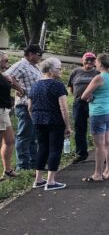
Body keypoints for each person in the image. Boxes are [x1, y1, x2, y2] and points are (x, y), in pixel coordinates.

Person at [27, 57, 71, 190]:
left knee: (43, 148)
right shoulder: (58, 85)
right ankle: (51, 182)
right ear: (51, 70)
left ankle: (38, 179)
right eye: (59, 68)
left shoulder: (35, 85)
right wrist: (68, 126)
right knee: (55, 149)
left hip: (38, 121)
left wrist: (35, 118)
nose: (60, 71)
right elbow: (63, 108)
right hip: (55, 121)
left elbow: (29, 107)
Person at [80, 53, 109, 182]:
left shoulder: (99, 77)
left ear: (100, 64)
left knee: (100, 145)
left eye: (96, 62)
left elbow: (84, 96)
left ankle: (97, 174)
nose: (94, 63)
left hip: (99, 112)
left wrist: (91, 97)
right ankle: (108, 171)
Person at [4, 44, 43, 171]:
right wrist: (20, 89)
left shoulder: (34, 66)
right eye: (39, 54)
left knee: (33, 136)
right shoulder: (22, 64)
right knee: (24, 135)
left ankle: (33, 163)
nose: (40, 57)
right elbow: (7, 76)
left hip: (35, 106)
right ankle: (22, 165)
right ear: (31, 54)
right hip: (25, 105)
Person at [66, 52, 99, 163]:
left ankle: (101, 153)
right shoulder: (76, 72)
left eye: (92, 60)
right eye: (87, 59)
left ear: (95, 61)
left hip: (94, 103)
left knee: (98, 129)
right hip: (79, 104)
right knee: (80, 128)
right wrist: (77, 96)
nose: (89, 62)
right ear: (82, 60)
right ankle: (81, 154)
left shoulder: (97, 73)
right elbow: (70, 87)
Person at [0, 52, 22, 180]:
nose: (7, 63)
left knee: (9, 141)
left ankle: (7, 170)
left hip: (4, 110)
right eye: (5, 60)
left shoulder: (3, 75)